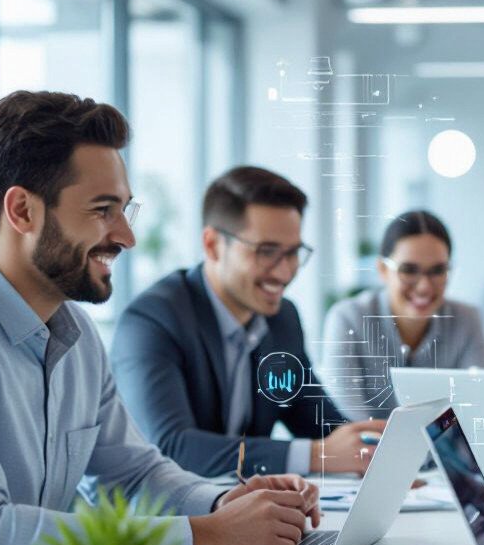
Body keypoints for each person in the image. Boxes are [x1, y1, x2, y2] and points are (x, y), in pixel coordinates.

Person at [0, 92, 320, 545]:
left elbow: (133, 475)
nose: (127, 235)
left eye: (125, 209)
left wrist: (223, 504)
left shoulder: (77, 335)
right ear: (22, 210)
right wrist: (204, 537)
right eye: (103, 210)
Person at [111, 166, 381, 479]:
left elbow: (316, 420)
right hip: (157, 521)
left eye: (293, 253)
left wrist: (375, 451)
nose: (284, 272)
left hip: (243, 509)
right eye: (266, 252)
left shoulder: (281, 319)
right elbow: (172, 447)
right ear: (212, 245)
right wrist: (316, 456)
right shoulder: (153, 321)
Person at [321, 210, 484, 419]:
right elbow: (350, 423)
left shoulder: (467, 320)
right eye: (409, 270)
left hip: (444, 452)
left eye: (438, 270)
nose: (424, 286)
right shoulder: (347, 319)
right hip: (367, 451)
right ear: (383, 269)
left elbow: (477, 414)